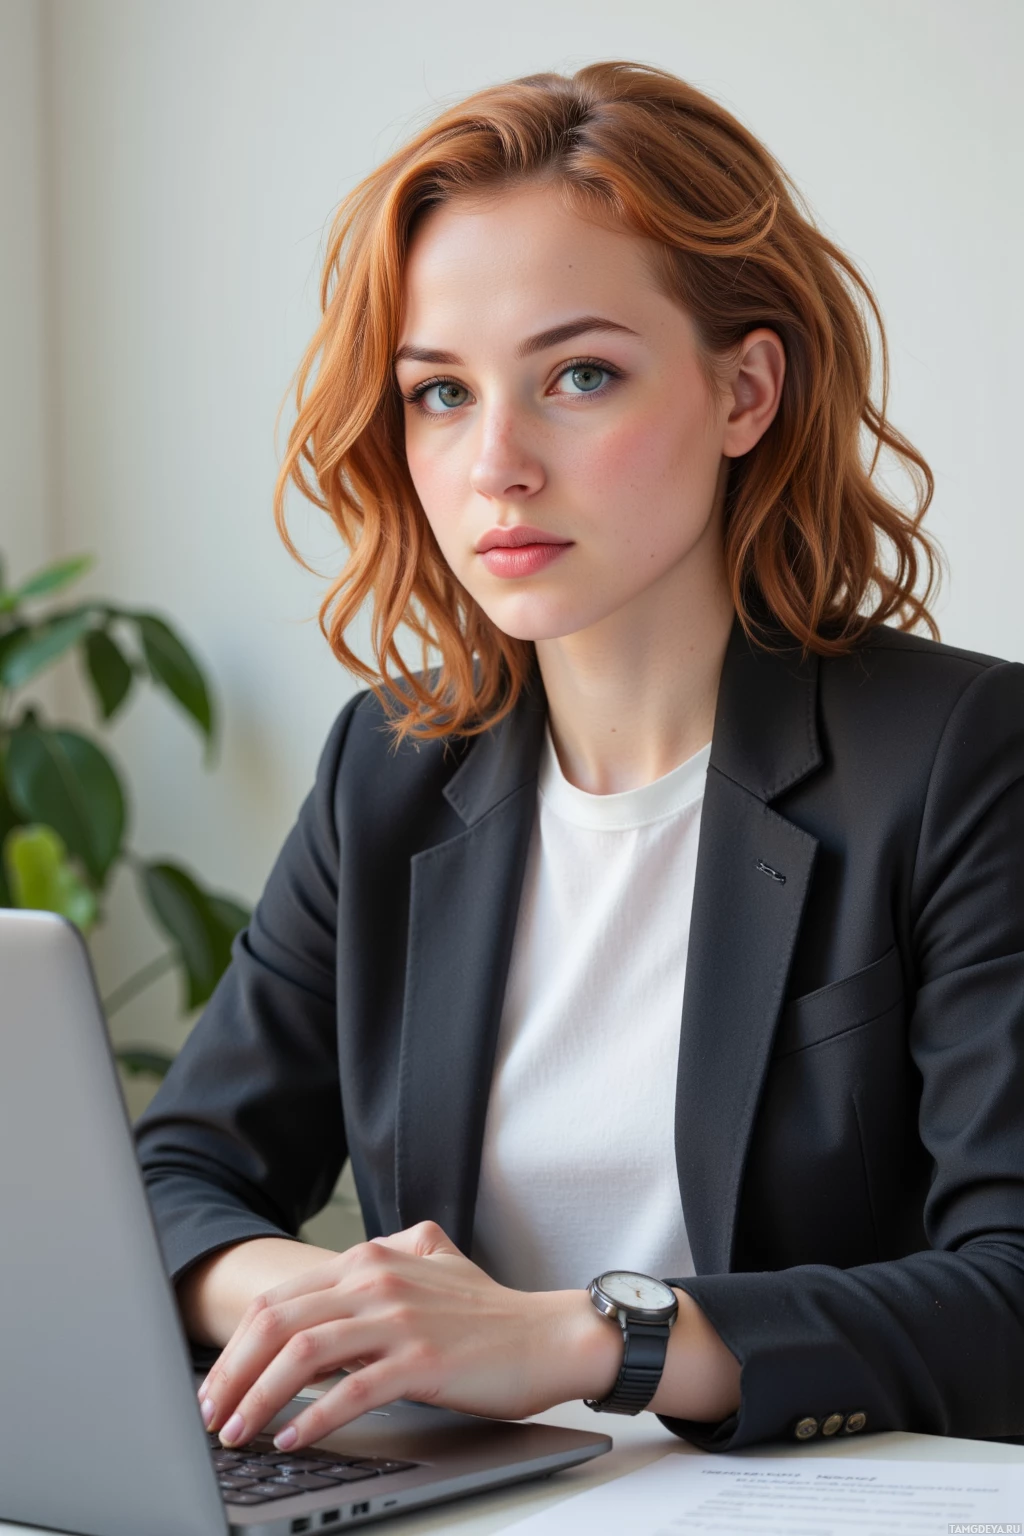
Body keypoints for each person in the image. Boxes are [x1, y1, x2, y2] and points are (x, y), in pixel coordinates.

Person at [134, 61, 1024, 1457]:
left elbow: (1011, 1296)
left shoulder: (966, 757)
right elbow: (174, 1174)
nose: (496, 464)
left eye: (580, 376)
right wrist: (365, 1313)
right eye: (439, 394)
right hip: (470, 1499)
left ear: (746, 392)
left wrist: (584, 1339)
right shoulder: (391, 766)